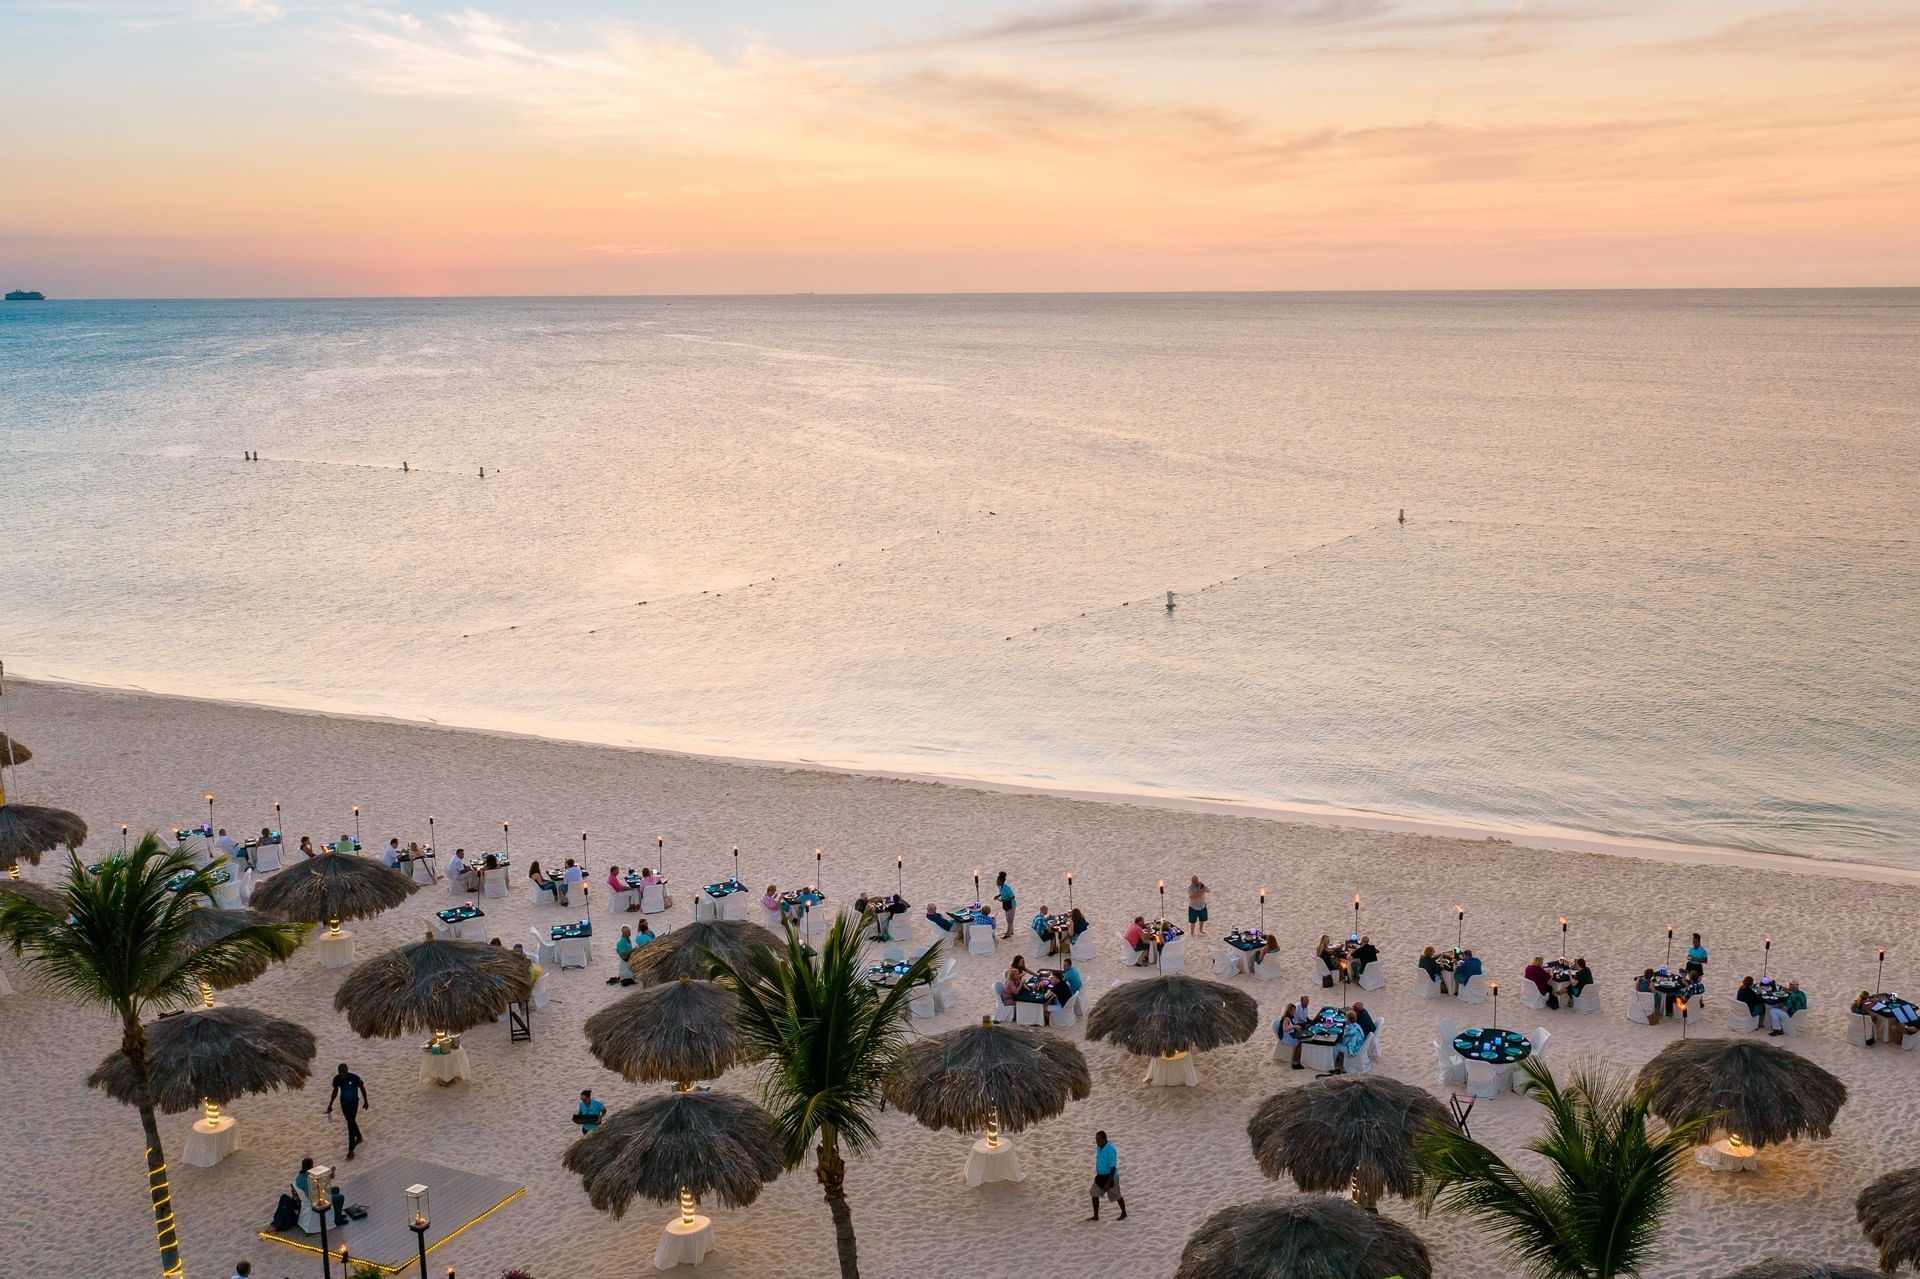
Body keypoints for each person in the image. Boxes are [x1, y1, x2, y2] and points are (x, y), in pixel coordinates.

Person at [326, 1062, 370, 1159]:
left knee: (350, 1124)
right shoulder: (337, 1079)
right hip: (344, 1103)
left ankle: (351, 1150)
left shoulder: (354, 1078)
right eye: (340, 1072)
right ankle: (359, 1137)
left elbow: (362, 1088)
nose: (341, 1074)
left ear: (346, 1071)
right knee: (351, 1121)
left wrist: (366, 1101)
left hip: (354, 1103)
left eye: (343, 1072)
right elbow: (335, 1091)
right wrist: (330, 1104)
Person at [1088, 1131, 1126, 1221]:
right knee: (1094, 1193)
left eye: (1099, 1139)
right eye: (1096, 1139)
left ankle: (1124, 1213)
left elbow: (1113, 1167)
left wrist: (1109, 1182)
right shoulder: (1099, 1147)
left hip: (1110, 1176)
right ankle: (1096, 1216)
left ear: (1104, 1139)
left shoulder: (1110, 1150)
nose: (1097, 1141)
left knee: (1117, 1195)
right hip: (1100, 1176)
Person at [995, 871, 1016, 939]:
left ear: (1002, 881)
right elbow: (1001, 893)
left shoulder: (1007, 887)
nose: (996, 882)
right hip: (1006, 904)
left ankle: (1008, 934)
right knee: (1008, 919)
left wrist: (1005, 900)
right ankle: (1011, 931)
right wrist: (997, 896)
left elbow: (1013, 896)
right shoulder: (1000, 887)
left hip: (1011, 905)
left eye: (998, 881)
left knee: (1009, 920)